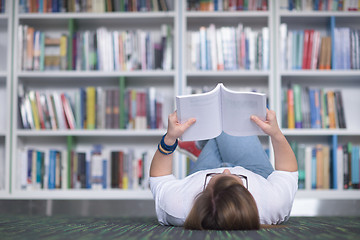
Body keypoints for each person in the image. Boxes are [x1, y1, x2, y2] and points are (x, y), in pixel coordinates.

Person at [149, 109, 298, 230]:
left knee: (218, 124)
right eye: (237, 178)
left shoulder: (178, 206)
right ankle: (201, 145)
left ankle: (201, 146)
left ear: (201, 194)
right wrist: (275, 133)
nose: (226, 171)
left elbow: (159, 177)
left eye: (216, 176)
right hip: (255, 172)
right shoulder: (273, 203)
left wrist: (169, 139)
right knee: (229, 121)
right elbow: (287, 170)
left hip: (200, 173)